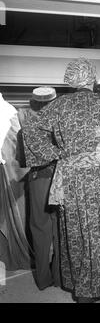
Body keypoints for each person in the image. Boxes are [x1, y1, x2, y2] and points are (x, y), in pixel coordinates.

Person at [22, 58, 100, 303]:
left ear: (70, 80)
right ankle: (95, 286)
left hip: (70, 177)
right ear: (92, 78)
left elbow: (29, 129)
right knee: (99, 229)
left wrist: (57, 154)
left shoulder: (59, 105)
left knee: (75, 231)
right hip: (98, 176)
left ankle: (80, 287)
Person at [21, 86, 61, 291]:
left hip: (40, 179)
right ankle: (57, 276)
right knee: (56, 228)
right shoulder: (58, 123)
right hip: (56, 177)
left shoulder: (28, 125)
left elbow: (25, 159)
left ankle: (45, 278)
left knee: (41, 228)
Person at [0, 93, 32, 270]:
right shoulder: (11, 112)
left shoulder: (9, 114)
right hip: (12, 171)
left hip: (10, 172)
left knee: (12, 212)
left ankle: (11, 252)